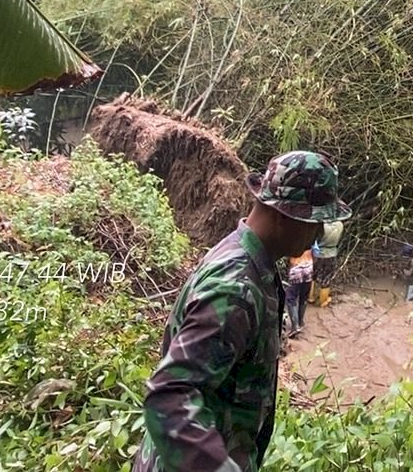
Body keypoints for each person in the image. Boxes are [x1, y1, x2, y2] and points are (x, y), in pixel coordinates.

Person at [136, 150, 351, 472]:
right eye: (314, 222)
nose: (318, 233)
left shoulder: (243, 257)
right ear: (283, 215)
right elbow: (170, 395)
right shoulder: (236, 288)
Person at [310, 217, 343, 307]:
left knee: (312, 276)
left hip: (318, 254)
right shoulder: (340, 224)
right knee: (326, 278)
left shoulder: (321, 225)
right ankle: (323, 301)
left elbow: (315, 239)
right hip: (331, 253)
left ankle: (310, 297)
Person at [285, 249, 313, 338]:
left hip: (296, 268)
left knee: (291, 298)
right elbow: (316, 252)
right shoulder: (309, 238)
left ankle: (295, 326)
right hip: (309, 267)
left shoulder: (294, 239)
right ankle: (300, 322)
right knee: (304, 297)